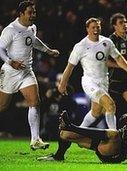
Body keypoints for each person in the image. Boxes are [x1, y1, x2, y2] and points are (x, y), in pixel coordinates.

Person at [58, 18, 127, 130]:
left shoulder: (107, 42)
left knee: (96, 112)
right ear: (87, 29)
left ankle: (78, 131)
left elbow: (118, 58)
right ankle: (114, 135)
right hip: (90, 82)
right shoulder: (81, 46)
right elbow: (70, 67)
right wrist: (62, 84)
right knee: (110, 105)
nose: (96, 29)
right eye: (93, 27)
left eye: (98, 27)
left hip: (104, 82)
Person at [0, 1, 60, 150]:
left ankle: (35, 140)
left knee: (35, 102)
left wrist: (48, 50)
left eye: (34, 12)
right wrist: (10, 61)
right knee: (2, 106)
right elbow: (0, 49)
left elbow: (33, 41)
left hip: (27, 72)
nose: (33, 15)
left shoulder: (32, 27)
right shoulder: (11, 30)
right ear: (21, 14)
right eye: (30, 12)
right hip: (10, 73)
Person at [37, 100, 127, 163]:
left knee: (114, 134)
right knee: (64, 135)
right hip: (103, 143)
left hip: (114, 154)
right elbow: (121, 121)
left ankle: (71, 126)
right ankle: (58, 156)